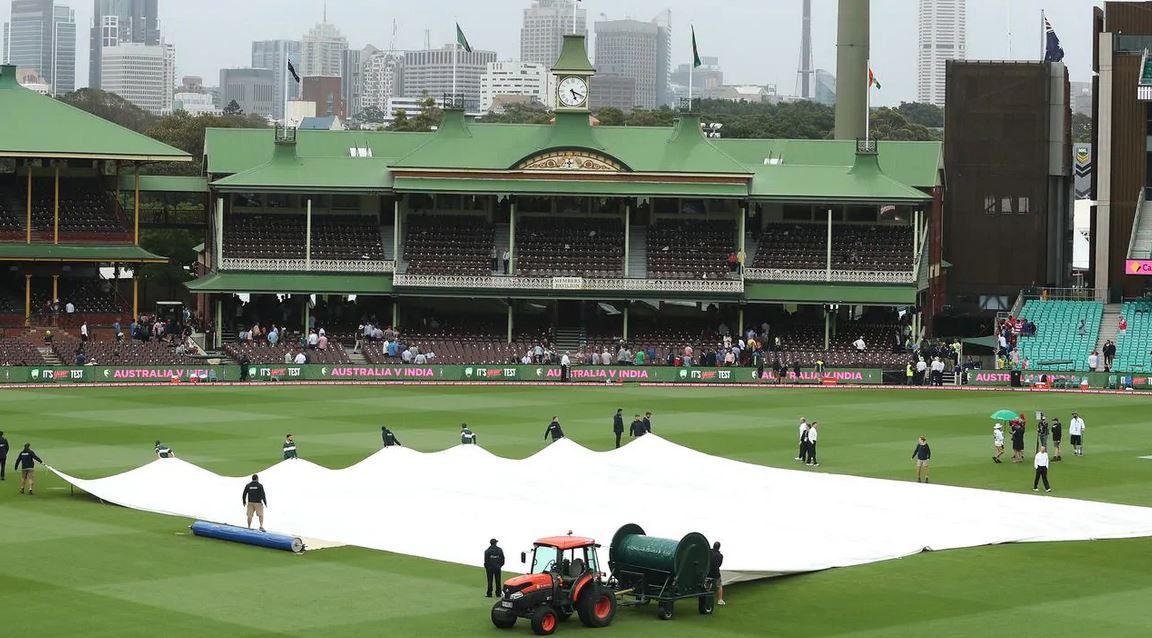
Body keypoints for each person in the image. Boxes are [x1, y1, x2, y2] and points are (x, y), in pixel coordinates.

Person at [709, 541, 725, 606]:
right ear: (719, 547)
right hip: (716, 573)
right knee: (719, 586)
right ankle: (720, 600)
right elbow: (719, 565)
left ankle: (705, 598)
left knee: (707, 586)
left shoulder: (709, 552)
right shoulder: (720, 556)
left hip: (707, 572)